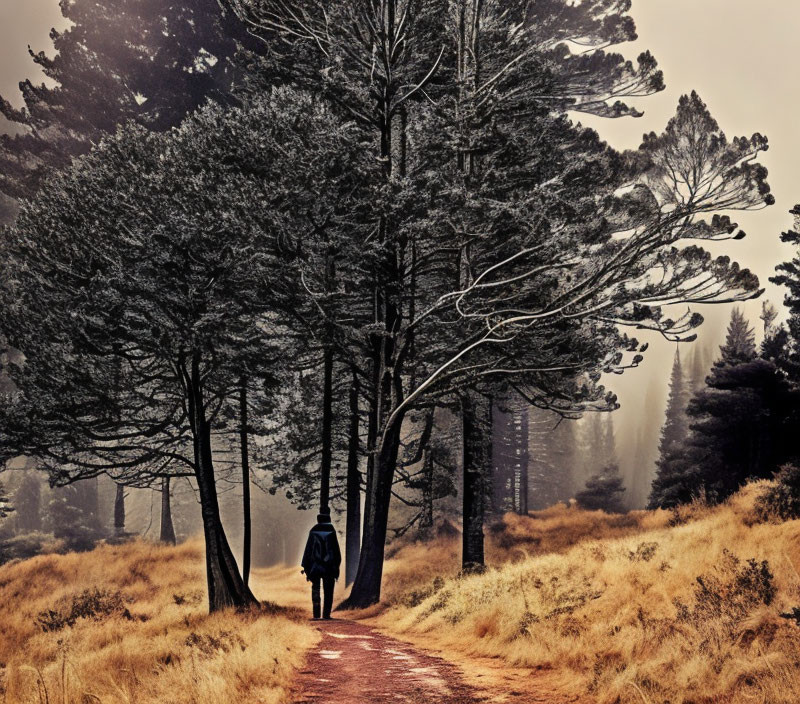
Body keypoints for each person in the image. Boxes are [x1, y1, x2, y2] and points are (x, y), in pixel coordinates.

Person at [300, 509, 342, 620]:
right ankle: (326, 614)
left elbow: (308, 550)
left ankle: (316, 614)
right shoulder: (331, 531)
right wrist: (336, 565)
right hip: (329, 567)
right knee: (329, 590)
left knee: (316, 589)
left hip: (315, 566)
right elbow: (336, 551)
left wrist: (306, 566)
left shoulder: (313, 531)